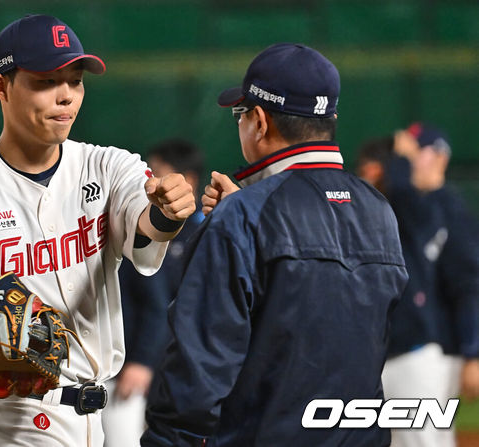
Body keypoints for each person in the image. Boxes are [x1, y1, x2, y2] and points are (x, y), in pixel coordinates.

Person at [0, 14, 196, 447]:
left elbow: (145, 230)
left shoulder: (108, 166)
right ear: (1, 86)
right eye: (47, 81)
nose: (66, 96)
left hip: (96, 416)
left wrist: (169, 211)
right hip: (11, 423)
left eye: (75, 80)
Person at [141, 43, 409, 446]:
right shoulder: (379, 209)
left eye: (240, 113)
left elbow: (198, 369)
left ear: (260, 122)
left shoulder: (244, 217)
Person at [356, 125, 479, 447]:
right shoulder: (405, 211)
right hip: (411, 349)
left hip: (431, 351)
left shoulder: (443, 210)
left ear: (438, 155)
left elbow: (469, 287)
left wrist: (472, 351)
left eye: (414, 153)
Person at [102, 139, 205, 447]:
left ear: (187, 180)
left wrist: (144, 360)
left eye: (158, 172)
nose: (150, 180)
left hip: (186, 368)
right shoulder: (142, 229)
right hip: (136, 362)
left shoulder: (208, 232)